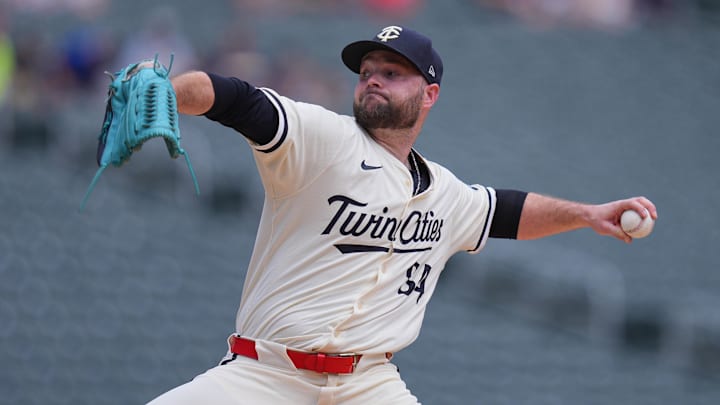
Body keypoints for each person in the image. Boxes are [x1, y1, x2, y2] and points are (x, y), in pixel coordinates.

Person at [148, 25, 657, 404]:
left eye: (391, 73)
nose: (372, 81)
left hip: (368, 385)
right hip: (265, 375)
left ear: (429, 94)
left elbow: (507, 211)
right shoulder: (321, 139)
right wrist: (165, 92)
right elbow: (235, 99)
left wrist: (588, 214)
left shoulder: (445, 193)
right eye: (366, 73)